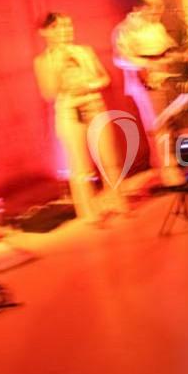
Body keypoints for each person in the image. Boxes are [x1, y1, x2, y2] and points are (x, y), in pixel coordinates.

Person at [33, 13, 127, 223]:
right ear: (45, 32)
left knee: (108, 158)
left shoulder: (85, 51)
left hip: (94, 104)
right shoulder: (42, 60)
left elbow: (104, 78)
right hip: (69, 110)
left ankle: (116, 201)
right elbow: (49, 93)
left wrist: (89, 86)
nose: (65, 30)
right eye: (58, 27)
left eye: (68, 25)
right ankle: (89, 212)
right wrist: (58, 65)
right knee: (80, 165)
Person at [112, 0, 188, 187]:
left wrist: (179, 57)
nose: (158, 12)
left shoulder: (156, 26)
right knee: (158, 125)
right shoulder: (124, 30)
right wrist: (147, 64)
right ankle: (167, 170)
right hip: (145, 82)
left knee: (168, 121)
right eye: (154, 8)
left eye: (160, 8)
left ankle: (164, 164)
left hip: (164, 78)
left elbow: (166, 50)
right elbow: (120, 58)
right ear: (140, 8)